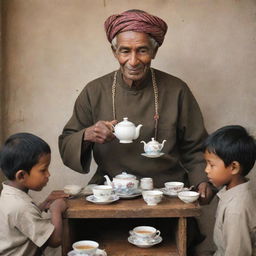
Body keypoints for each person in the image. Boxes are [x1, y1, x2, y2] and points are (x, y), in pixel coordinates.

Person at [59, 9, 214, 201]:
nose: (133, 61)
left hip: (165, 191)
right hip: (111, 190)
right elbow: (66, 143)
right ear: (115, 52)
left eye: (142, 50)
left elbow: (197, 146)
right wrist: (87, 134)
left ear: (154, 51)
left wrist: (202, 181)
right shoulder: (94, 91)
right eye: (125, 51)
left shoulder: (177, 90)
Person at [0, 133, 68, 256]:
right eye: (43, 170)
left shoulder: (8, 195)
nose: (48, 174)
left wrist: (44, 205)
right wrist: (56, 210)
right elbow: (55, 240)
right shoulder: (20, 207)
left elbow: (22, 221)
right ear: (21, 176)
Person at [203, 125, 256, 256]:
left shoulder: (236, 210)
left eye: (211, 165)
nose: (206, 170)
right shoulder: (232, 192)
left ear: (234, 167)